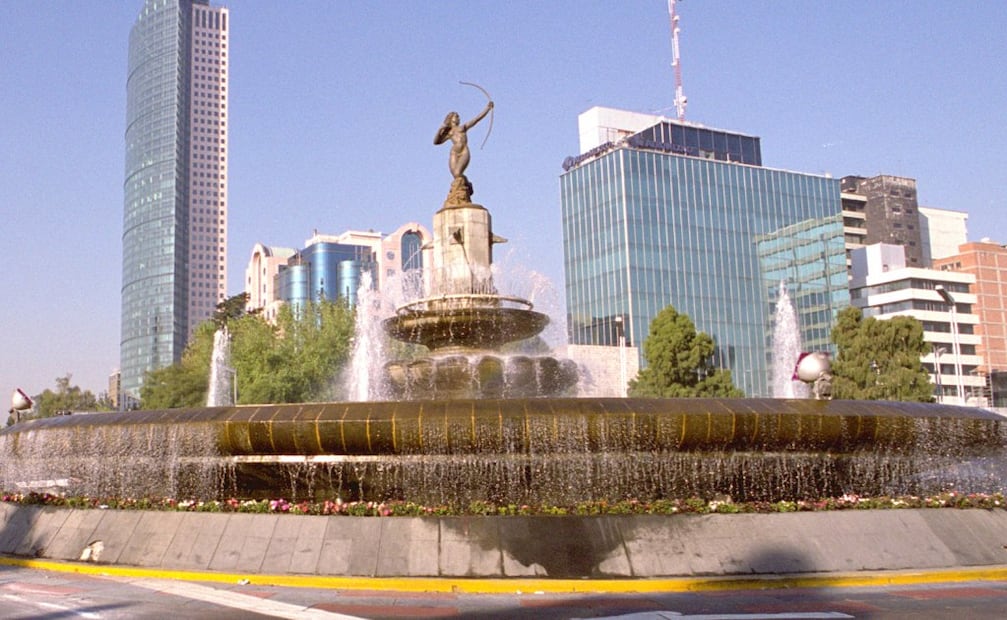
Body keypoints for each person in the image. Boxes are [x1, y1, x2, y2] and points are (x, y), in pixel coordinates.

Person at [434, 100, 493, 179]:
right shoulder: (448, 132)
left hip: (464, 151)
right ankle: (462, 184)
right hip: (454, 152)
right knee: (455, 175)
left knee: (458, 173)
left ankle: (465, 184)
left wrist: (487, 108)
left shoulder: (462, 127)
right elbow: (436, 142)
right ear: (451, 119)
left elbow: (476, 119)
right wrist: (440, 130)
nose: (458, 118)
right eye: (456, 116)